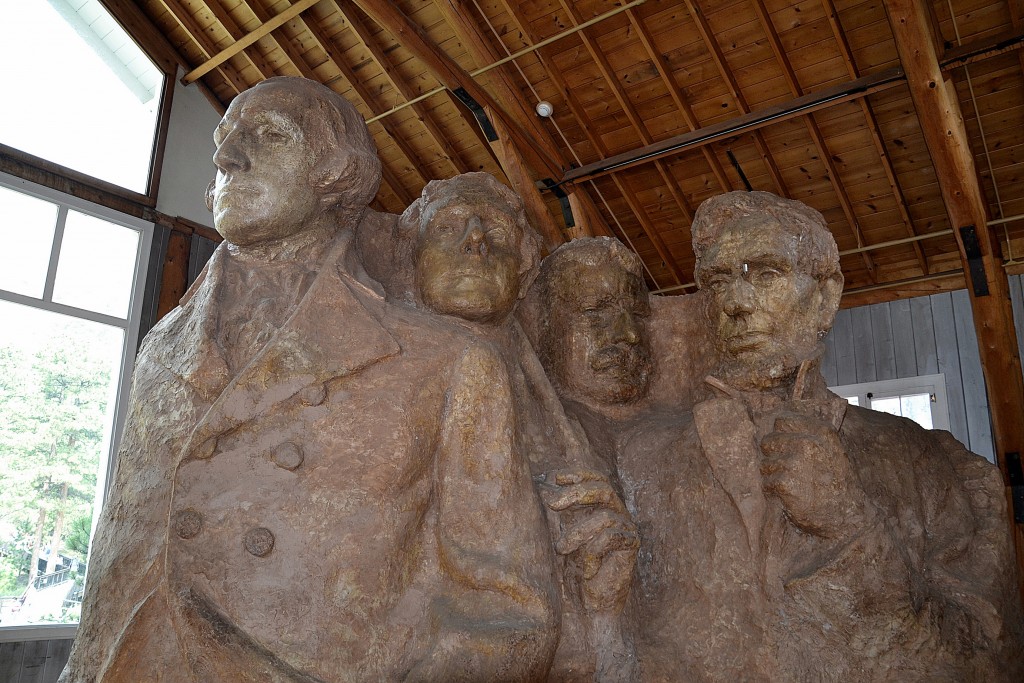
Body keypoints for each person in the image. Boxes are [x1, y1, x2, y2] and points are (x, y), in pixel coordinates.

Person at [59, 77, 559, 682]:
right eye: (223, 139)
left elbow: (506, 614)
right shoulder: (161, 347)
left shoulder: (448, 365)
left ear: (335, 173)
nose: (226, 157)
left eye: (267, 135)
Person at [622, 190, 1023, 680]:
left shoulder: (923, 457)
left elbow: (984, 658)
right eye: (718, 282)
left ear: (825, 297)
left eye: (766, 274)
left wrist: (847, 524)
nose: (736, 302)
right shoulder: (642, 455)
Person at [400, 175, 639, 682]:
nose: (476, 240)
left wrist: (602, 608)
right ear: (411, 255)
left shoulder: (555, 420)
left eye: (498, 234)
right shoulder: (386, 371)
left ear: (523, 272)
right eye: (451, 226)